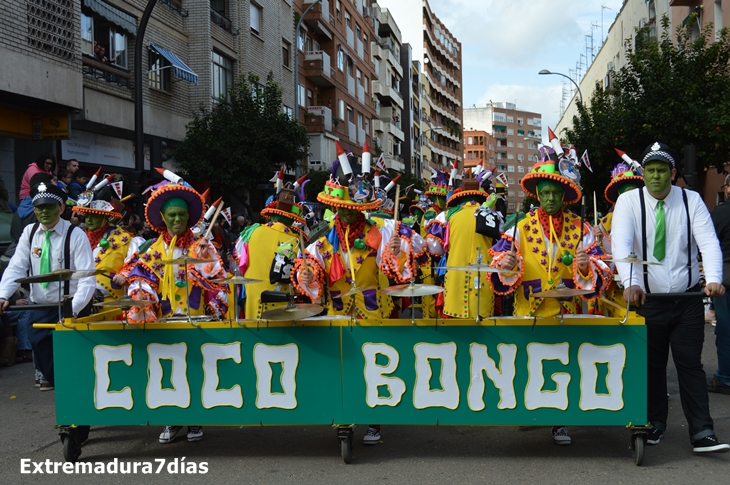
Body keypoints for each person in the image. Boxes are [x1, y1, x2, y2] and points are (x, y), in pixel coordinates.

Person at [293, 156, 425, 446]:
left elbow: (419, 245)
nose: (347, 213)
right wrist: (307, 277)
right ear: (334, 206)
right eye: (342, 208)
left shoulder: (381, 231)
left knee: (374, 368)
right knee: (342, 370)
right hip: (338, 316)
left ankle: (375, 420)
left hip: (374, 313)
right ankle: (344, 422)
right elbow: (312, 277)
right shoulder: (321, 243)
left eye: (353, 209)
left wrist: (399, 246)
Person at [612, 141, 729, 453]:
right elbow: (622, 245)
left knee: (690, 364)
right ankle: (654, 424)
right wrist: (631, 282)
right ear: (643, 173)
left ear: (673, 173)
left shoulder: (691, 201)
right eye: (649, 170)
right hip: (647, 300)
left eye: (661, 170)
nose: (655, 176)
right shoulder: (628, 202)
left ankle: (702, 431)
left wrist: (714, 279)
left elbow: (708, 241)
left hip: (688, 298)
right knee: (651, 365)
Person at [490, 154, 610, 446]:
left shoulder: (580, 227)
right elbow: (497, 262)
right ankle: (526, 410)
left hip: (565, 309)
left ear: (564, 195)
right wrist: (505, 264)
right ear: (537, 195)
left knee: (562, 366)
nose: (551, 198)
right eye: (545, 193)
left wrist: (584, 265)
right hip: (528, 308)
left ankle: (559, 422)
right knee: (525, 362)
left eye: (556, 193)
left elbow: (603, 269)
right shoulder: (518, 225)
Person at [119, 180, 228, 444]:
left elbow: (220, 282)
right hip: (164, 322)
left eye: (181, 214)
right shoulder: (151, 250)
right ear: (163, 217)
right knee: (167, 370)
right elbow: (140, 279)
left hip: (196, 318)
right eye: (172, 214)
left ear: (189, 216)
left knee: (195, 369)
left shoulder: (203, 247)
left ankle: (194, 419)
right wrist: (140, 296)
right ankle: (171, 418)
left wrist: (211, 292)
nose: (177, 218)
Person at [0, 181, 96, 391]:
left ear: (61, 208)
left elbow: (87, 278)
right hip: (40, 308)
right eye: (39, 208)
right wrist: (3, 295)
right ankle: (66, 397)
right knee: (45, 360)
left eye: (49, 207)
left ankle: (75, 411)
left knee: (74, 363)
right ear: (34, 210)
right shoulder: (29, 232)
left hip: (72, 308)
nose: (44, 212)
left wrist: (74, 308)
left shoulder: (76, 234)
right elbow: (17, 267)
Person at [426, 171, 498, 319]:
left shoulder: (446, 216)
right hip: (484, 281)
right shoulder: (493, 216)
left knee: (455, 329)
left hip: (455, 281)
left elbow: (434, 247)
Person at [235, 183, 308, 319]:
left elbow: (239, 263)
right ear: (293, 219)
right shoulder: (297, 241)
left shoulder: (251, 232)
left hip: (253, 304)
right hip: (281, 309)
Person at [72, 187, 141, 301]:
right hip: (77, 300)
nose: (89, 220)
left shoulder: (125, 239)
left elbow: (138, 262)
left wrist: (125, 274)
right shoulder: (77, 237)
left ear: (105, 217)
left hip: (112, 304)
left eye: (94, 215)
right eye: (87, 216)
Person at [708, 174, 730, 395]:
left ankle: (725, 377)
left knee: (725, 330)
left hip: (726, 279)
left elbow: (709, 242)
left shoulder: (721, 213)